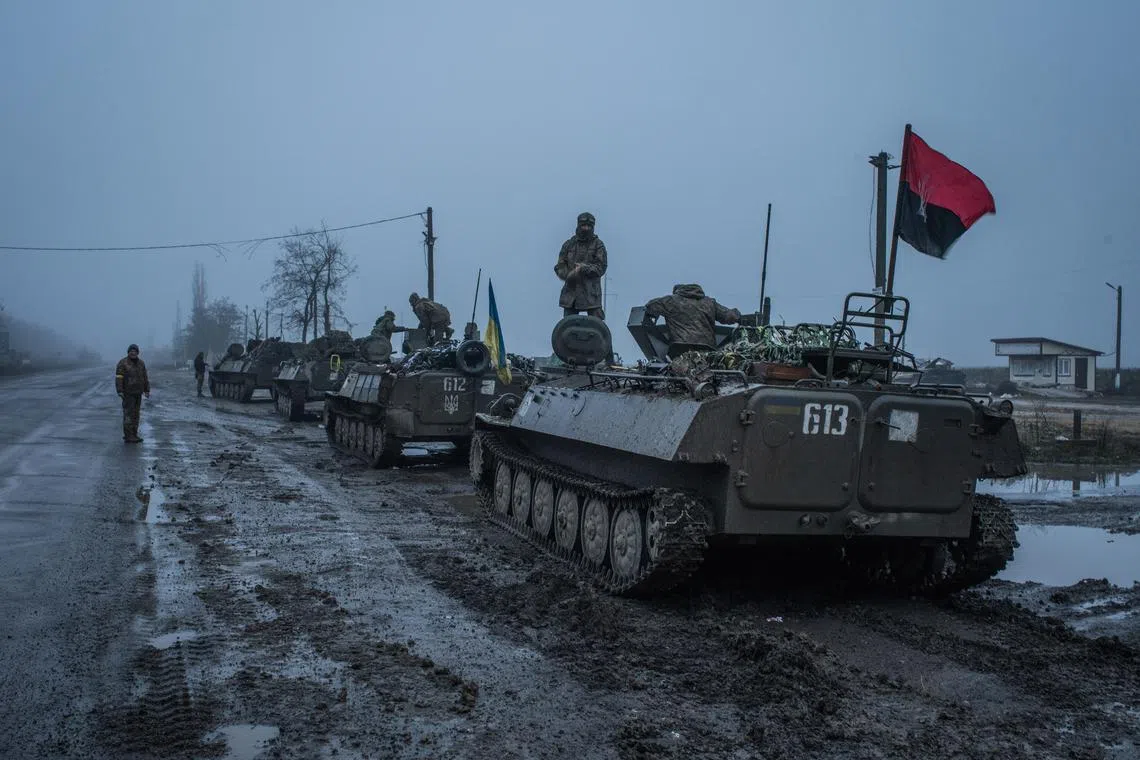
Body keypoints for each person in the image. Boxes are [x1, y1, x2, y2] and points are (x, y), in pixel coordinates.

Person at [644, 284, 742, 352]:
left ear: (677, 292)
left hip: (678, 350)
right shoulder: (709, 303)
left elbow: (649, 306)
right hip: (707, 350)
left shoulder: (670, 301)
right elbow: (730, 316)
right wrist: (738, 315)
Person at [555, 211, 608, 319]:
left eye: (589, 226)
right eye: (583, 225)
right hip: (571, 295)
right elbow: (560, 266)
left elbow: (601, 267)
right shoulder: (569, 244)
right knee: (568, 326)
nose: (586, 228)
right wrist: (568, 275)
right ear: (578, 225)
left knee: (596, 326)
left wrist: (584, 268)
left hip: (591, 295)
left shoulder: (598, 245)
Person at [115, 344, 151, 442]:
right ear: (128, 352)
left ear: (137, 352)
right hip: (127, 393)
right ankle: (128, 435)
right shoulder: (123, 363)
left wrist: (147, 390)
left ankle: (134, 434)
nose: (133, 352)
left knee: (136, 414)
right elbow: (119, 378)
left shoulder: (141, 363)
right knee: (128, 414)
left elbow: (145, 377)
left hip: (138, 393)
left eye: (135, 351)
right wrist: (120, 391)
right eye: (131, 351)